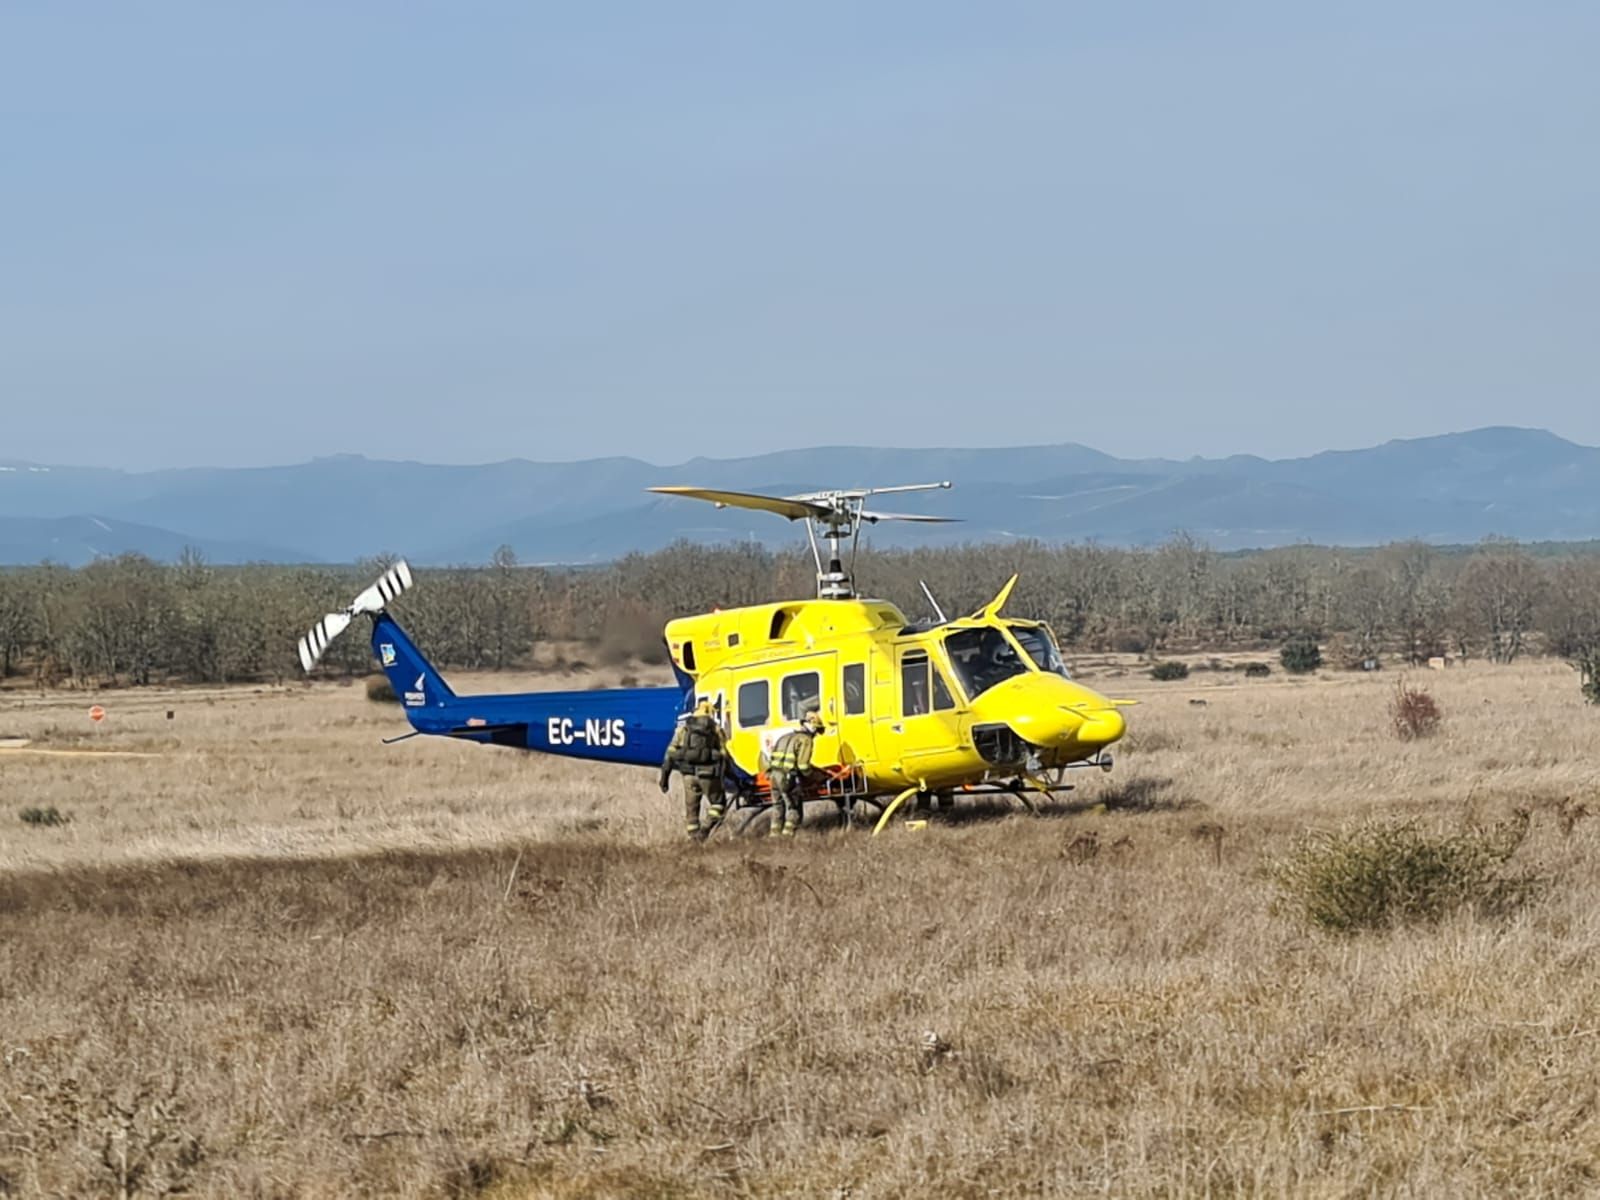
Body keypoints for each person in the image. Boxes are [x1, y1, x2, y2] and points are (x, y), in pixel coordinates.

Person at [660, 699, 727, 839]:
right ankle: (704, 830)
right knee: (719, 804)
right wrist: (725, 776)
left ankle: (693, 841)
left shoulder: (683, 729)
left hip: (688, 776)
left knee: (691, 811)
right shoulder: (715, 729)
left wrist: (664, 778)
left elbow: (670, 754)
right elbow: (724, 755)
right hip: (708, 774)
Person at [765, 709, 824, 837]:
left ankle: (774, 837)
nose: (816, 735)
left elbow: (773, 760)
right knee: (794, 810)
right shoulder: (805, 740)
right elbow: (803, 766)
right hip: (788, 779)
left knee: (777, 806)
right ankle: (787, 838)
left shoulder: (785, 737)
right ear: (813, 728)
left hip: (774, 778)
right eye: (817, 731)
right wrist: (815, 777)